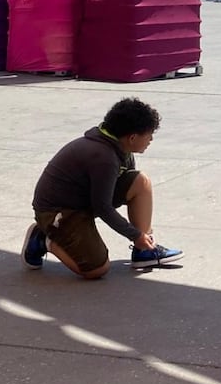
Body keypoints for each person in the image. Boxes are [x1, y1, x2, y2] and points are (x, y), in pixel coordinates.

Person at [22, 98, 183, 279]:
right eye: (149, 134)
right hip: (59, 212)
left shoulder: (120, 146)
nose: (151, 139)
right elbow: (102, 207)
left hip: (83, 200)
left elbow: (124, 182)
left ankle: (143, 251)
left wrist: (140, 237)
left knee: (140, 181)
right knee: (96, 269)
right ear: (132, 137)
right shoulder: (103, 157)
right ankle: (44, 239)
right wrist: (134, 235)